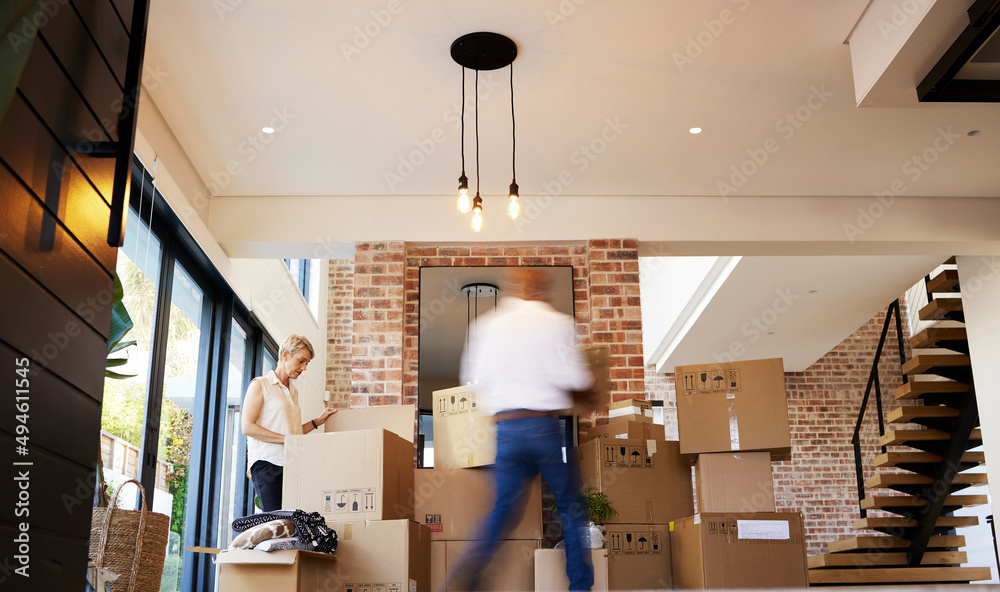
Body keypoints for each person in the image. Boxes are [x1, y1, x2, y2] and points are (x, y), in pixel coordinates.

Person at [445, 268, 595, 591]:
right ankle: (581, 586)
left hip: (506, 430)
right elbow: (577, 380)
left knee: (503, 509)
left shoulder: (485, 326)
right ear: (541, 291)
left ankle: (466, 571)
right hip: (544, 428)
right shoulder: (558, 323)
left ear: (515, 289)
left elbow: (474, 382)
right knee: (570, 505)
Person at [241, 334, 337, 512]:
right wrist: (285, 439)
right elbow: (247, 427)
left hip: (292, 465)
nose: (304, 368)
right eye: (301, 361)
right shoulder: (261, 384)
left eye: (306, 363)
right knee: (277, 523)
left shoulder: (293, 392)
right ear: (285, 355)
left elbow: (293, 435)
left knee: (293, 524)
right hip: (267, 465)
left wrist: (317, 421)